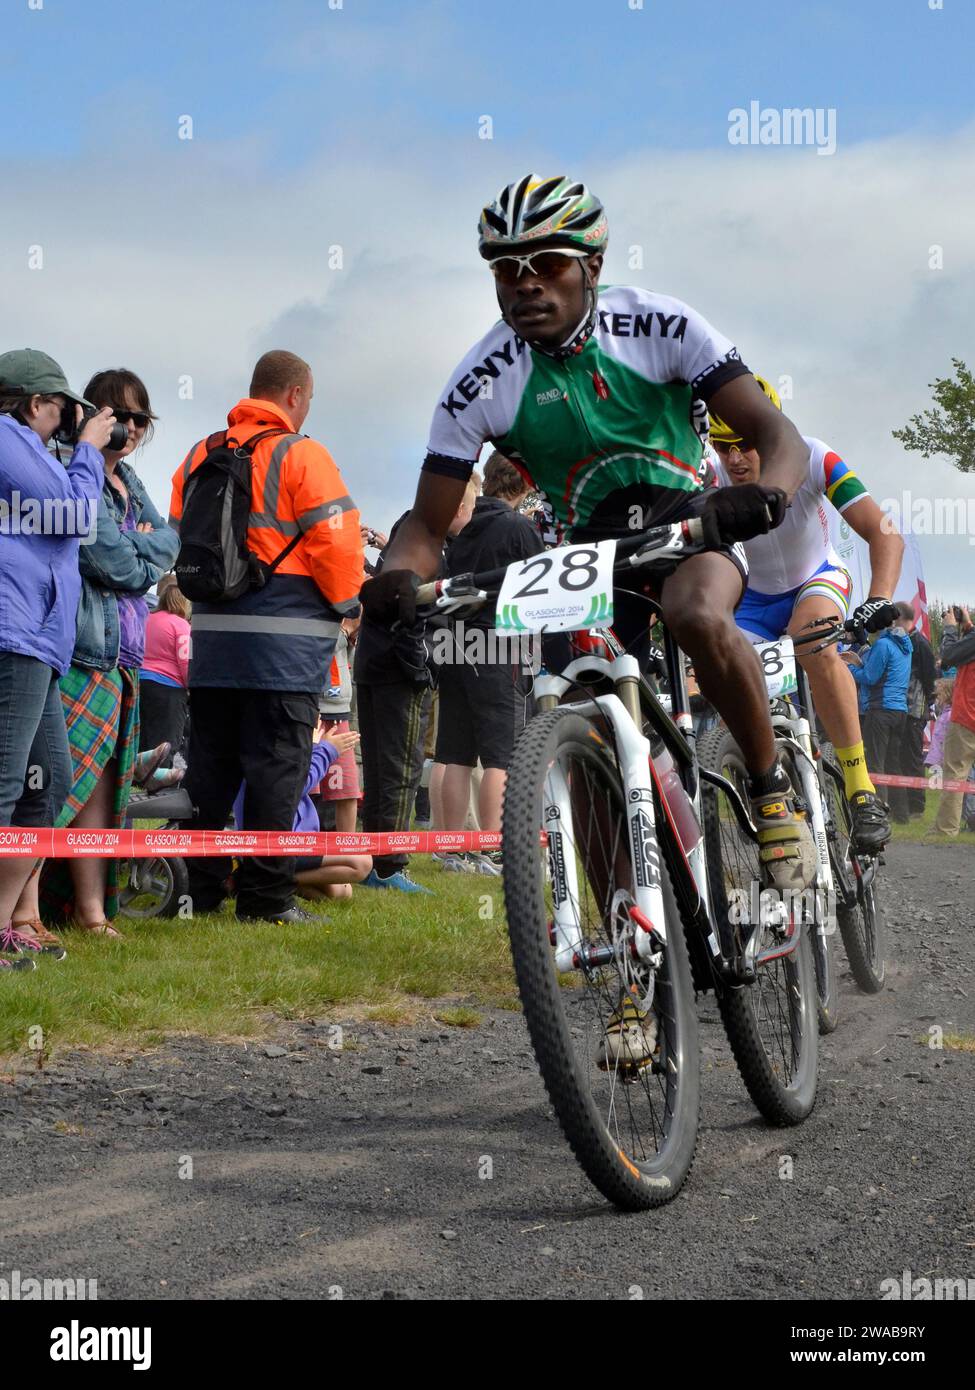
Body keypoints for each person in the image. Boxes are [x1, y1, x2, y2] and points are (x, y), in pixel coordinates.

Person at [361, 172, 820, 1066]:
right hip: (587, 558)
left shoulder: (658, 323)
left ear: (592, 266)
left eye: (546, 265)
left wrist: (759, 494)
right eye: (505, 269)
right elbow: (426, 518)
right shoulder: (482, 377)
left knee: (694, 608)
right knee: (586, 726)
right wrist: (396, 574)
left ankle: (766, 790)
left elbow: (777, 431)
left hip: (688, 528)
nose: (524, 283)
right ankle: (631, 974)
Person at [169, 350, 363, 926]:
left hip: (211, 647)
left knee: (211, 773)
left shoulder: (202, 453)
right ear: (296, 396)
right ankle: (265, 899)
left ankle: (199, 892)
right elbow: (336, 546)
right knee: (277, 773)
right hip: (283, 652)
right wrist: (348, 604)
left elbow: (185, 530)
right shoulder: (304, 455)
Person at [710, 377, 904, 849]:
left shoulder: (815, 456)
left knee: (816, 643)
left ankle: (861, 792)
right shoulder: (708, 476)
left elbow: (884, 532)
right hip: (752, 600)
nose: (734, 459)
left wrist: (879, 596)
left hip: (815, 577)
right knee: (727, 675)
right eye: (722, 445)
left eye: (745, 444)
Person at [29, 368, 179, 939]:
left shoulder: (133, 484)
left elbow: (167, 545)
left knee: (103, 788)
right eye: (121, 415)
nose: (133, 428)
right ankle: (24, 911)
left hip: (124, 656)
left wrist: (135, 552)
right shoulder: (70, 466)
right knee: (51, 786)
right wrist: (137, 556)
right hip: (78, 650)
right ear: (93, 414)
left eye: (142, 417)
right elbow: (101, 555)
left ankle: (90, 913)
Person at [0, 349, 111, 964]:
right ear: (35, 403)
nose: (72, 422)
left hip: (38, 636)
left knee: (50, 784)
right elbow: (73, 515)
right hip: (12, 630)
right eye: (67, 411)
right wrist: (90, 451)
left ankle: (4, 923)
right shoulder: (5, 435)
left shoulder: (36, 452)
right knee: (8, 782)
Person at [354, 475, 480, 893]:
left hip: (373, 662)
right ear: (460, 508)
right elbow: (417, 611)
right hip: (400, 670)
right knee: (401, 768)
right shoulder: (436, 546)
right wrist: (423, 665)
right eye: (473, 508)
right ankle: (390, 866)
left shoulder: (407, 531)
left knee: (379, 766)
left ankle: (375, 861)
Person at [434, 451, 544, 873]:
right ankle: (495, 850)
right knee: (501, 756)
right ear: (524, 484)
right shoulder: (518, 527)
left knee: (456, 755)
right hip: (499, 646)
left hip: (454, 641)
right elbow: (541, 589)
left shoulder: (460, 519)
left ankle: (452, 849)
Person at [233, 721, 370, 902]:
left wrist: (312, 748)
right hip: (279, 843)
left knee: (342, 892)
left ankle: (252, 882)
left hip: (298, 841)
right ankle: (261, 881)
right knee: (362, 862)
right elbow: (292, 788)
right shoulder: (267, 745)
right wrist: (326, 750)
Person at [848, 602, 914, 822]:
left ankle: (880, 812)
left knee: (875, 762)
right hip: (900, 711)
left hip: (881, 709)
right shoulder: (905, 644)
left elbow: (869, 677)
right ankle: (901, 814)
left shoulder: (884, 645)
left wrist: (847, 668)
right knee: (894, 762)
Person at [930, 606, 975, 839]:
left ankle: (945, 830)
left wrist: (949, 628)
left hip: (968, 717)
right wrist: (968, 628)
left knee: (956, 774)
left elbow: (947, 658)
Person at [139, 578, 191, 766]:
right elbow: (185, 662)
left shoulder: (147, 619)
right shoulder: (182, 625)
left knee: (141, 738)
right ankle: (157, 784)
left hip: (139, 683)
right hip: (168, 691)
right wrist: (190, 687)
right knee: (165, 744)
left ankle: (135, 784)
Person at [904, 611, 936, 818]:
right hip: (902, 709)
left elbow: (930, 678)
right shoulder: (903, 641)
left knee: (914, 758)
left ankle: (917, 807)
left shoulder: (921, 644)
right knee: (901, 757)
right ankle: (905, 803)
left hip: (916, 710)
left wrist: (928, 706)